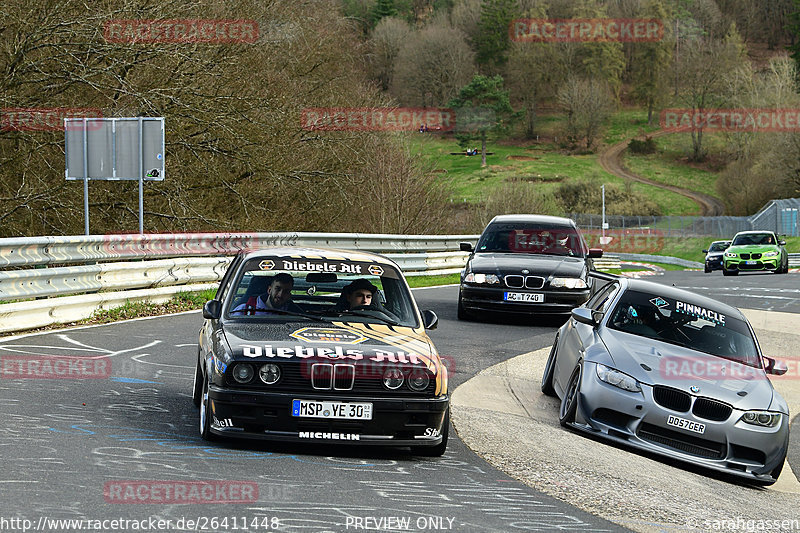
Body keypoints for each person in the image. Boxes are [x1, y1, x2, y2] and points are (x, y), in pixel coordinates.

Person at [231, 273, 302, 315]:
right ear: (269, 290)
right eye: (278, 289)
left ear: (290, 295)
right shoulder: (244, 310)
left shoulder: (295, 314)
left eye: (286, 291)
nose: (280, 295)